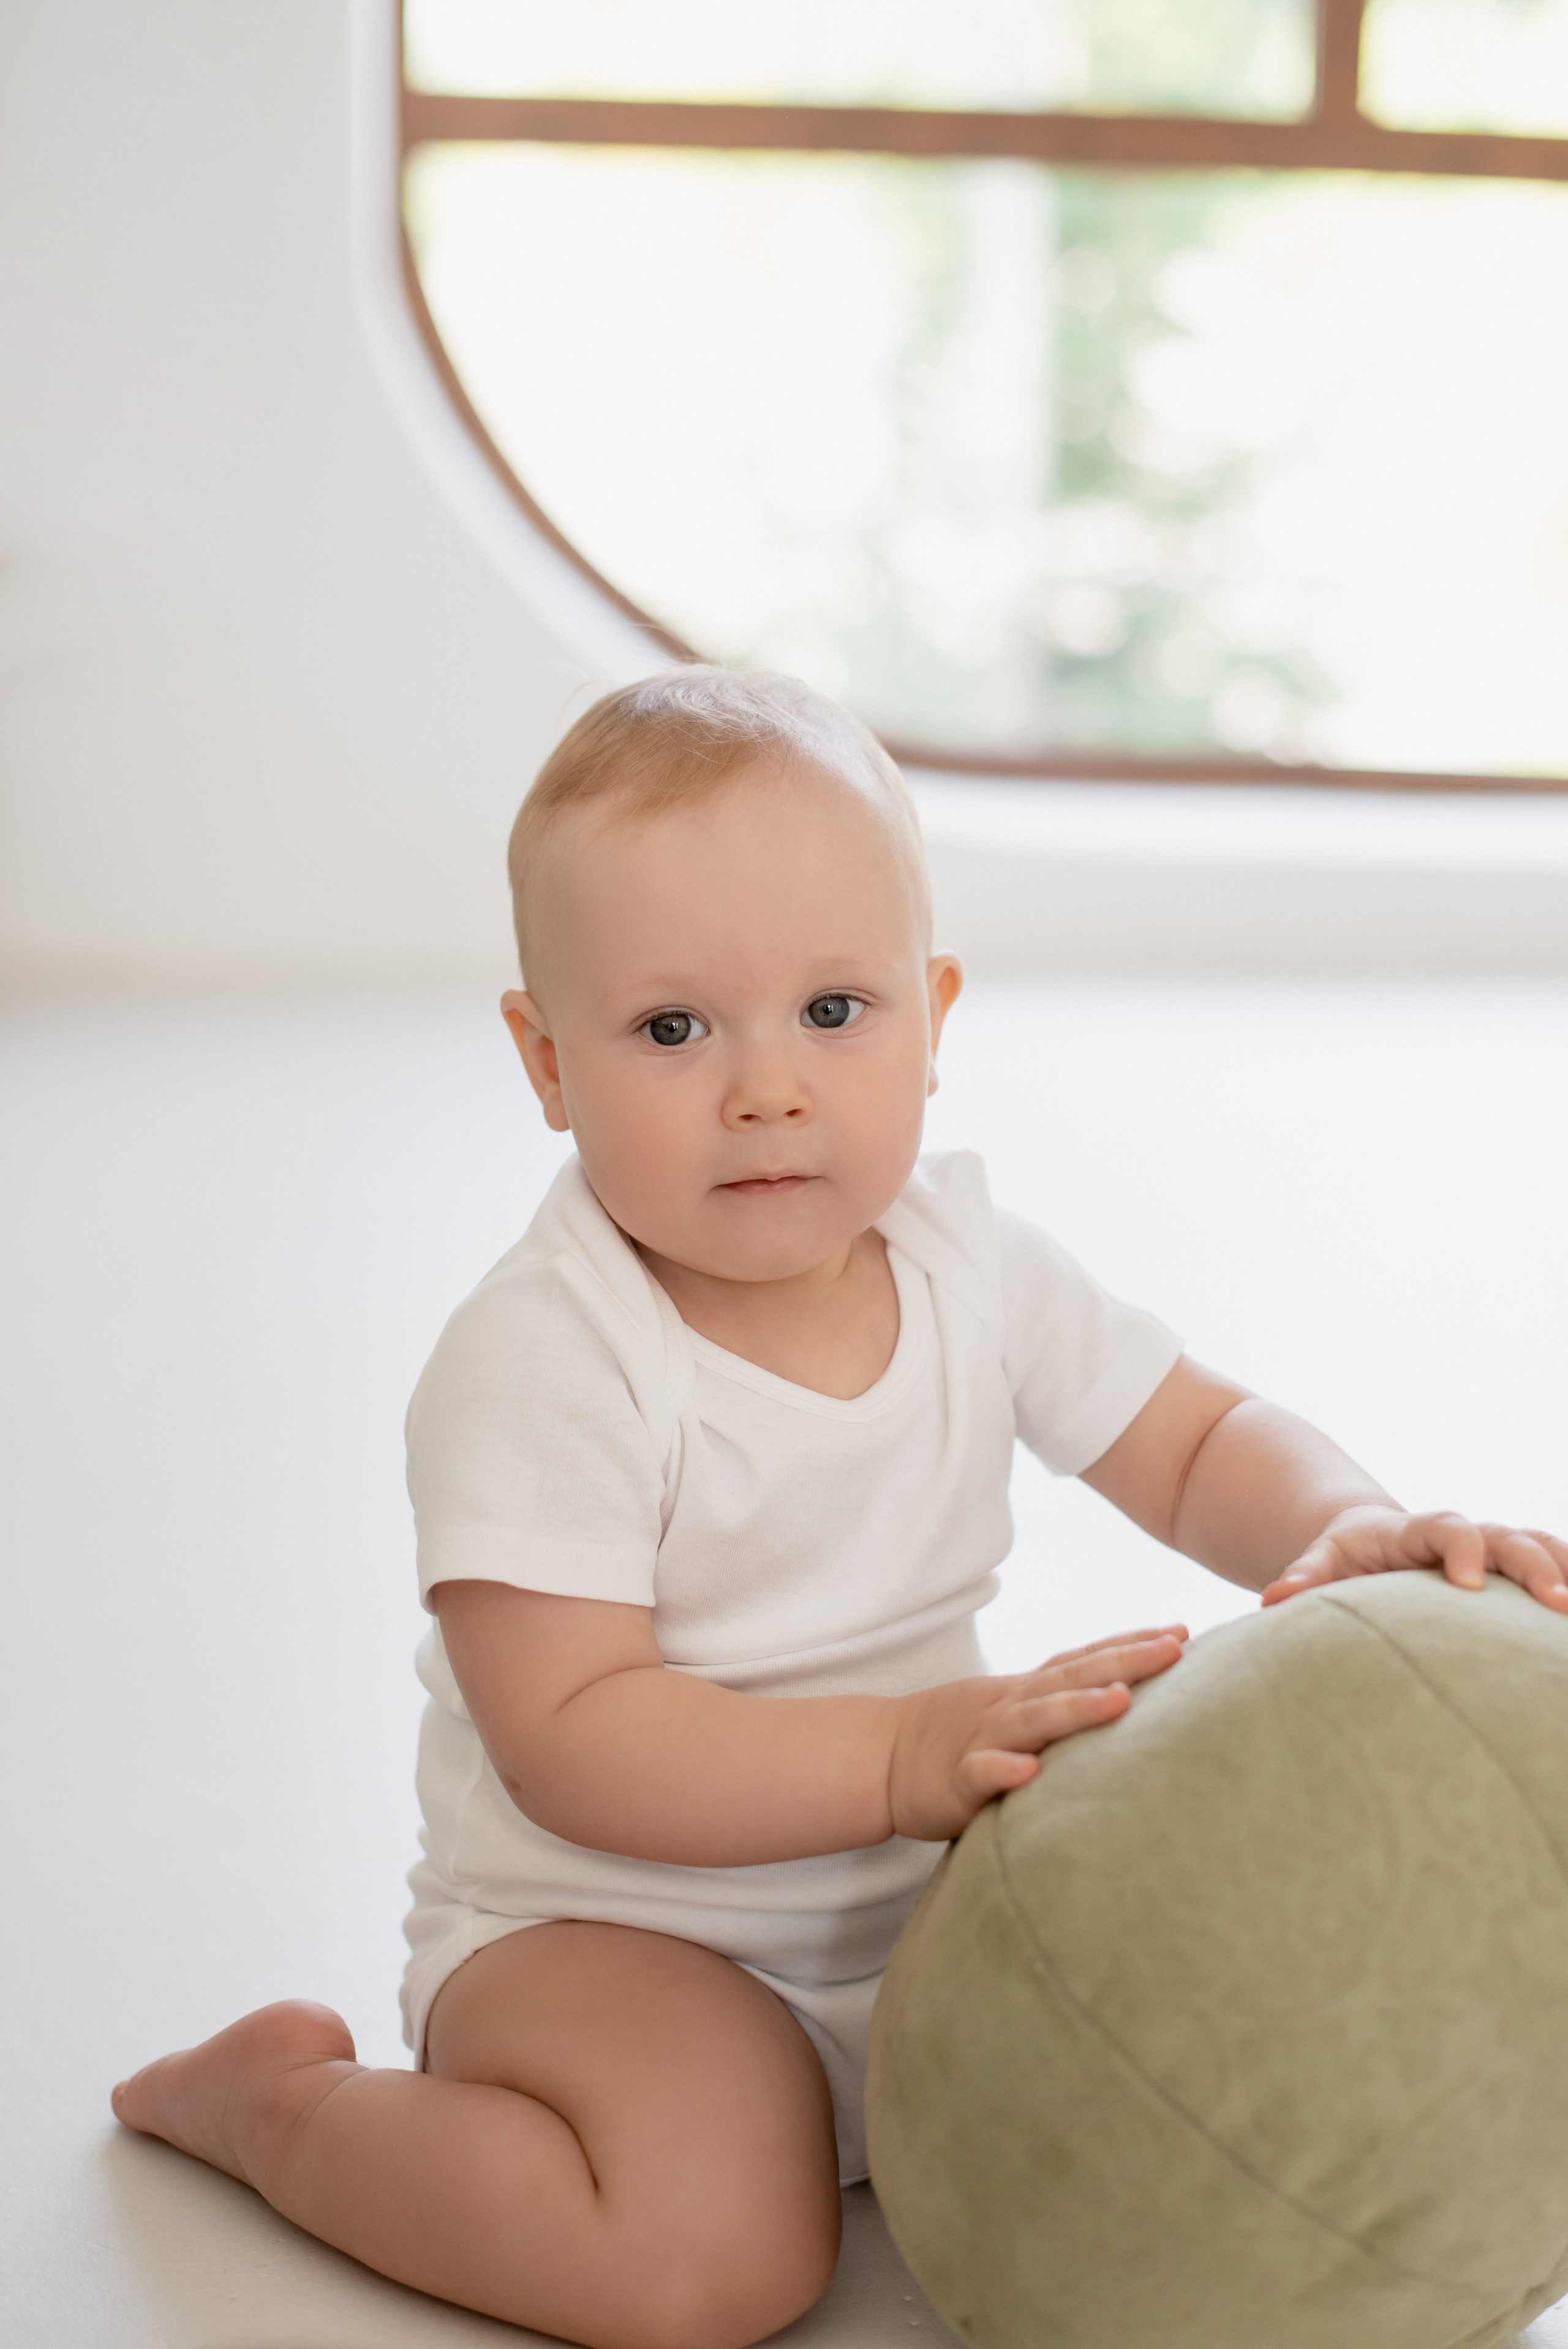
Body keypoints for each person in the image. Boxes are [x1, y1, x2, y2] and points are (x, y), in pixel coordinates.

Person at [112, 668, 1568, 2349]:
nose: (766, 1088)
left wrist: (1341, 1529)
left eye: (834, 1011)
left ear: (935, 1018)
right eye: (672, 1028)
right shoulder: (548, 1357)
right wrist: (894, 1757)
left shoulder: (970, 1264)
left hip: (931, 1903)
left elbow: (1190, 1438)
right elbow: (572, 1734)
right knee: (714, 2263)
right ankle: (283, 2115)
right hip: (623, 1933)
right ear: (546, 1059)